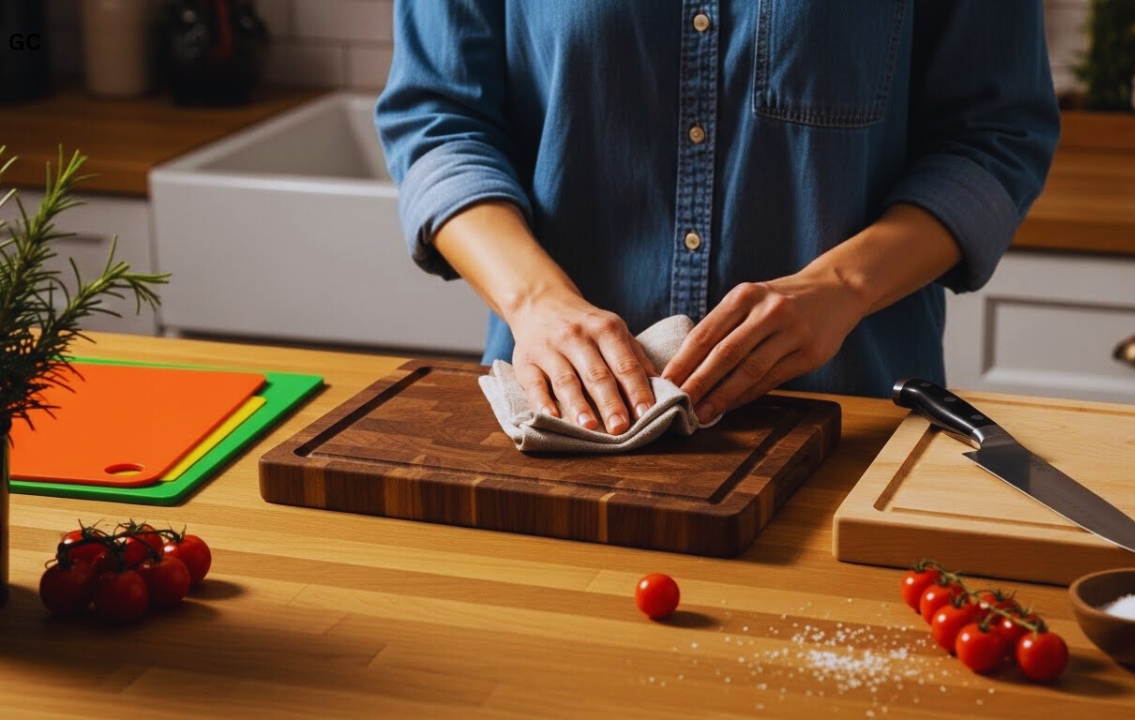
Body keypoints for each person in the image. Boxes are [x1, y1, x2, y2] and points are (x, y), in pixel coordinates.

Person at [376, 3, 1059, 436]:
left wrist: (844, 286)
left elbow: (996, 137)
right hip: (560, 432)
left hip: (850, 434)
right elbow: (438, 119)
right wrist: (535, 300)